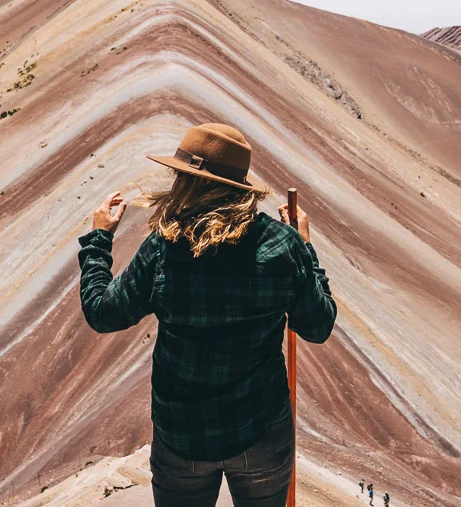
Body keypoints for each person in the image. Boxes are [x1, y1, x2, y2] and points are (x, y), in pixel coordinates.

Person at [78, 123, 337, 507]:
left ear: (188, 182)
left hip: (183, 436)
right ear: (239, 186)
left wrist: (99, 238)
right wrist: (304, 247)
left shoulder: (165, 248)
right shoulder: (281, 246)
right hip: (260, 430)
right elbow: (317, 325)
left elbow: (102, 313)